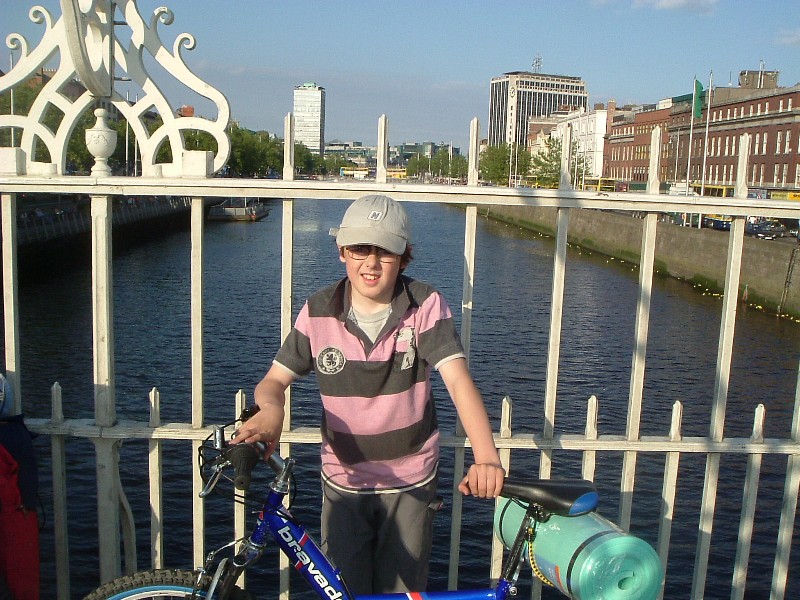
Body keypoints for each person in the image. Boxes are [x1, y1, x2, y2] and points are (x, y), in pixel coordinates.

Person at [233, 194, 505, 594]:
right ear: (342, 251)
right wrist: (272, 410)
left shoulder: (424, 306)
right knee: (344, 587)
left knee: (401, 589)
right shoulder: (318, 309)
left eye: (386, 252)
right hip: (344, 482)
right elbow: (273, 380)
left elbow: (459, 381)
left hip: (411, 481)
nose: (371, 263)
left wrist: (486, 457)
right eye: (360, 249)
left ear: (405, 258)